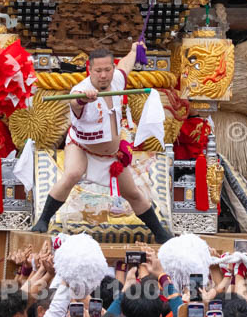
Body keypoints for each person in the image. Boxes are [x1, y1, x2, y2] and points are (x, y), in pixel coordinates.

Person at [31, 44, 172, 243]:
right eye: (98, 71)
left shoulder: (116, 80)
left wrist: (134, 50)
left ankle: (160, 234)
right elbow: (75, 104)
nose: (103, 75)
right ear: (90, 70)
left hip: (112, 153)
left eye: (107, 69)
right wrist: (83, 100)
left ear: (112, 69)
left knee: (132, 192)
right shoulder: (80, 90)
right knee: (72, 173)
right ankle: (43, 220)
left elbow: (125, 66)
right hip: (81, 146)